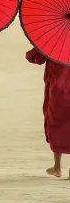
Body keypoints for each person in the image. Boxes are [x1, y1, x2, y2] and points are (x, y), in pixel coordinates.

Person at [26, 47, 70, 180]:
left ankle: (57, 167)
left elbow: (35, 58)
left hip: (59, 91)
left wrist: (38, 46)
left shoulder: (55, 41)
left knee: (56, 125)